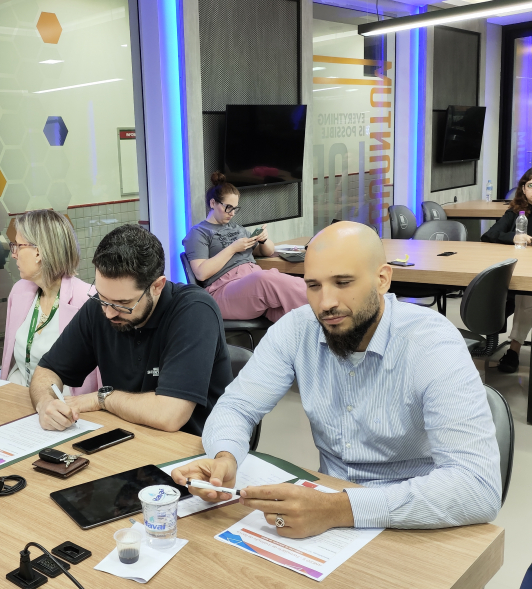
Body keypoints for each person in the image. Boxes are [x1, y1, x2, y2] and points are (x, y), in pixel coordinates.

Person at [172, 221, 501, 537]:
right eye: (313, 286)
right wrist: (225, 457)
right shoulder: (296, 329)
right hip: (327, 512)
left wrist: (338, 509)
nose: (325, 303)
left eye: (343, 283)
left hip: (414, 515)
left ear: (382, 279)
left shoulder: (431, 344)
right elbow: (237, 407)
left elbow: (477, 487)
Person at [29, 224, 232, 436]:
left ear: (157, 286)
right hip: (127, 435)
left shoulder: (195, 310)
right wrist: (45, 404)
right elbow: (47, 370)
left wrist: (102, 398)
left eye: (123, 304)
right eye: (102, 298)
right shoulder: (99, 308)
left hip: (192, 445)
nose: (108, 313)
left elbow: (169, 415)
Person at [182, 172, 307, 322]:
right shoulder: (198, 232)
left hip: (251, 285)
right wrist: (232, 248)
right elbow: (201, 273)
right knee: (266, 279)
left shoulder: (237, 228)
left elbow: (267, 251)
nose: (232, 213)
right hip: (223, 290)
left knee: (293, 315)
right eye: (228, 207)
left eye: (235, 208)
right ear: (213, 203)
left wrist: (264, 240)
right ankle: (322, 301)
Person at [1, 209, 100, 393]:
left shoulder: (88, 300)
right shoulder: (19, 291)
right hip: (20, 395)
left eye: (18, 246)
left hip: (65, 404)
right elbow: (14, 363)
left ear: (38, 252)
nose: (13, 254)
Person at [482, 167, 532, 373]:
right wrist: (514, 237)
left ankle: (513, 350)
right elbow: (489, 235)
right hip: (518, 271)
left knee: (527, 295)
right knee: (524, 294)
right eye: (531, 185)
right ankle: (509, 349)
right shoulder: (515, 212)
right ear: (523, 188)